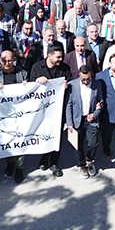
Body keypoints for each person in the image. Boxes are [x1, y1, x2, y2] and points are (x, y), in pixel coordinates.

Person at [28, 45, 71, 176]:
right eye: (58, 57)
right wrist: (36, 81)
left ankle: (54, 162)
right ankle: (44, 157)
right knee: (44, 134)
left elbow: (70, 82)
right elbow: (29, 86)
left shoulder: (64, 68)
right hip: (42, 110)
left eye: (61, 57)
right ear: (49, 56)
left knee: (57, 136)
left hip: (58, 109)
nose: (60, 59)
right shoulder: (37, 67)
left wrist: (67, 85)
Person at [0, 51, 29, 183]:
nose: (7, 63)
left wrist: (27, 85)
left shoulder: (22, 73)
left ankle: (19, 167)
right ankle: (9, 162)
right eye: (4, 60)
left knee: (19, 139)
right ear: (0, 61)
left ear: (14, 60)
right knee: (6, 139)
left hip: (19, 113)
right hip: (2, 114)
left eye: (10, 60)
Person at [66, 64, 103, 179]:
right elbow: (69, 105)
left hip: (90, 118)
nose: (86, 82)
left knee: (93, 143)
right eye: (83, 79)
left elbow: (101, 102)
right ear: (79, 75)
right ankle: (82, 164)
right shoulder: (72, 85)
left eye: (88, 79)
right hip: (77, 119)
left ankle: (89, 160)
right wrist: (69, 123)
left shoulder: (97, 84)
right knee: (78, 144)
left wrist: (95, 114)